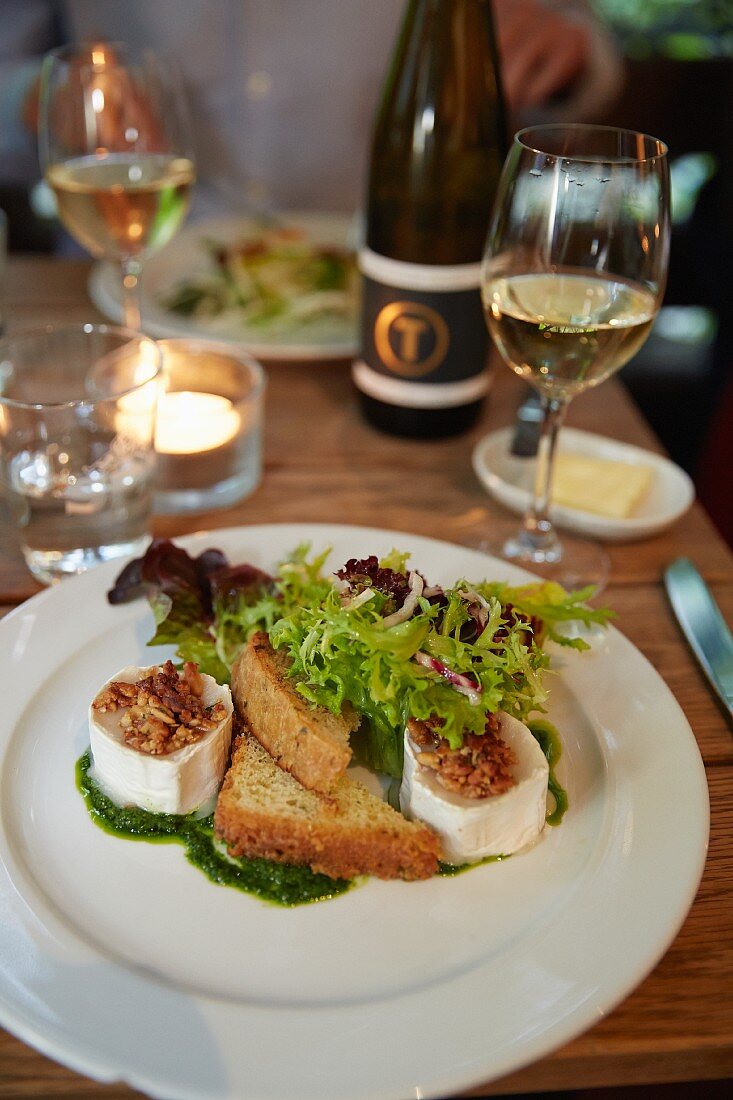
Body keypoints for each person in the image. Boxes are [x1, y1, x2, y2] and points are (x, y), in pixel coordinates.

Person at [1, 0, 623, 221]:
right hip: (121, 285)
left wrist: (565, 47)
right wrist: (37, 93)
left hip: (391, 290)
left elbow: (587, 56)